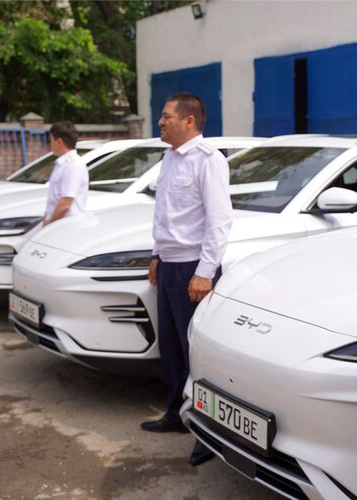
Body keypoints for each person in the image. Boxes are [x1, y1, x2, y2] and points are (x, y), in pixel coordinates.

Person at [140, 93, 232, 467]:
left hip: (194, 269)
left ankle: (207, 434)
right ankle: (176, 415)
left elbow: (219, 220)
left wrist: (205, 272)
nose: (160, 122)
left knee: (198, 355)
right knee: (173, 351)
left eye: (166, 116)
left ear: (188, 120)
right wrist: (156, 255)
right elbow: (166, 214)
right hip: (169, 265)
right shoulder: (169, 158)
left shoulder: (208, 160)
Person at [43, 122, 88, 226]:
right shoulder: (63, 163)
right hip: (58, 223)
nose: (50, 144)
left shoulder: (72, 165)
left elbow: (65, 203)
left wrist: (49, 223)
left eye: (51, 140)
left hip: (66, 225)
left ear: (59, 141)